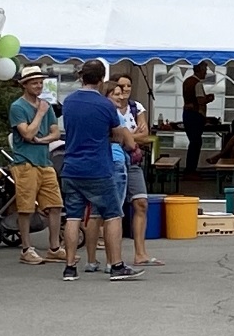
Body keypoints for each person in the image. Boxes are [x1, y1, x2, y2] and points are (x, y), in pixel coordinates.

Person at [59, 59, 141, 282]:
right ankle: (116, 266)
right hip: (97, 168)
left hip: (71, 167)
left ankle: (69, 267)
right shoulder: (106, 105)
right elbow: (116, 134)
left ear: (81, 77)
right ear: (102, 79)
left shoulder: (69, 102)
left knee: (73, 217)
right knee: (113, 214)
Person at [8, 65, 67, 264]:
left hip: (44, 161)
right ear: (24, 85)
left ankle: (54, 247)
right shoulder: (18, 107)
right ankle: (26, 248)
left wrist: (43, 141)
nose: (39, 86)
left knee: (56, 204)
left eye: (41, 82)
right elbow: (27, 133)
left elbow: (55, 133)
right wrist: (40, 114)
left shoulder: (46, 105)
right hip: (25, 162)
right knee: (25, 208)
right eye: (34, 82)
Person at [84, 81, 132, 273]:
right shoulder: (114, 115)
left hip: (97, 163)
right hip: (115, 160)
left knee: (95, 213)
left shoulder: (92, 115)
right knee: (114, 214)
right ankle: (113, 262)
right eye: (116, 94)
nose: (121, 97)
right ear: (106, 96)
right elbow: (127, 140)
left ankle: (91, 260)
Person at [115, 73, 161, 267]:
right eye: (121, 86)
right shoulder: (108, 108)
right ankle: (112, 254)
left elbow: (145, 134)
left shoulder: (136, 107)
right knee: (113, 208)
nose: (125, 90)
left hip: (133, 159)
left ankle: (140, 253)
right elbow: (114, 136)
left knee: (141, 202)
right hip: (115, 157)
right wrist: (132, 135)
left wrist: (127, 135)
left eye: (128, 86)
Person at [181, 62, 214, 178]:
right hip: (195, 115)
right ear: (199, 69)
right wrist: (209, 98)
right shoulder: (197, 84)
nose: (206, 72)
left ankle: (189, 169)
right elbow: (200, 101)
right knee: (196, 143)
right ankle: (191, 170)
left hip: (187, 115)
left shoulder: (186, 81)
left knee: (193, 142)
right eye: (205, 69)